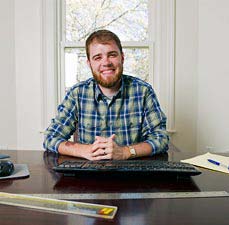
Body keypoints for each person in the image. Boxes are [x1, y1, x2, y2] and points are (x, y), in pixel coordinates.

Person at [43, 29, 169, 160]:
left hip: (132, 175)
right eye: (97, 57)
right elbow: (51, 137)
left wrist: (125, 152)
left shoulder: (143, 91)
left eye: (112, 55)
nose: (106, 62)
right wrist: (84, 150)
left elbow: (161, 139)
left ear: (122, 58)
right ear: (89, 63)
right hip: (88, 175)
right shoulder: (77, 94)